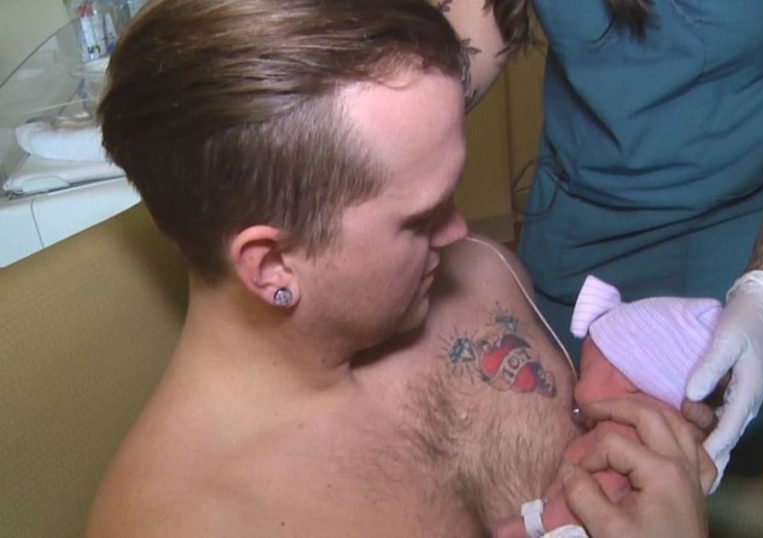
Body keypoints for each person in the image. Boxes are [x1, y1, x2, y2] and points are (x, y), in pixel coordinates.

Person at [85, 0, 709, 536]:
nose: (461, 233)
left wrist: (648, 429)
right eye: (420, 219)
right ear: (272, 266)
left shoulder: (484, 281)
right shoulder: (191, 521)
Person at [440, 0, 763, 480]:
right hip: (576, 222)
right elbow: (467, 37)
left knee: (696, 480)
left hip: (741, 244)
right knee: (544, 459)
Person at [493, 274, 721, 537]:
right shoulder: (663, 445)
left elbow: (584, 503)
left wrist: (529, 524)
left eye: (585, 369)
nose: (576, 382)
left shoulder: (626, 439)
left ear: (628, 380)